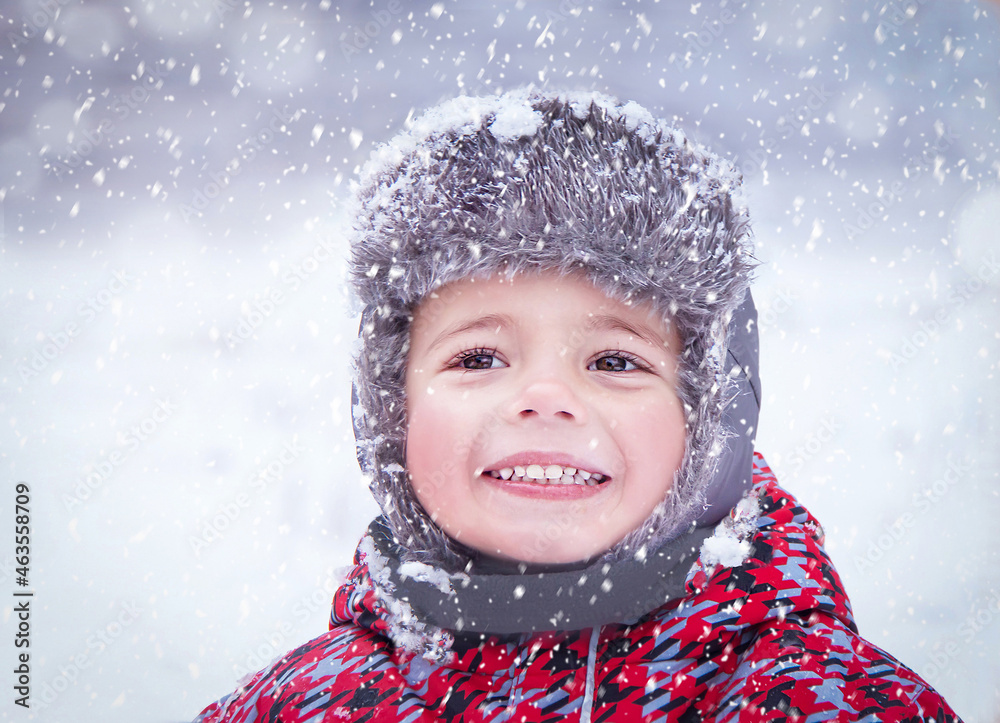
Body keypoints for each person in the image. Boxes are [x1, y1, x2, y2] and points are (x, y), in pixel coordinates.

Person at [194, 88, 961, 722]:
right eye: (479, 357)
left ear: (710, 420)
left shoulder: (830, 703)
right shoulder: (300, 707)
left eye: (615, 360)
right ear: (390, 413)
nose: (545, 399)